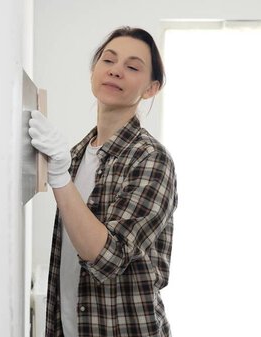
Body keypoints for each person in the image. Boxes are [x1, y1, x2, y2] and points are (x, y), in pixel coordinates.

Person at [29, 27, 178, 337]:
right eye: (108, 60)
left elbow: (107, 257)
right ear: (93, 71)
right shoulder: (77, 154)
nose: (116, 70)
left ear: (151, 88)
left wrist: (59, 176)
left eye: (132, 67)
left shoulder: (151, 159)